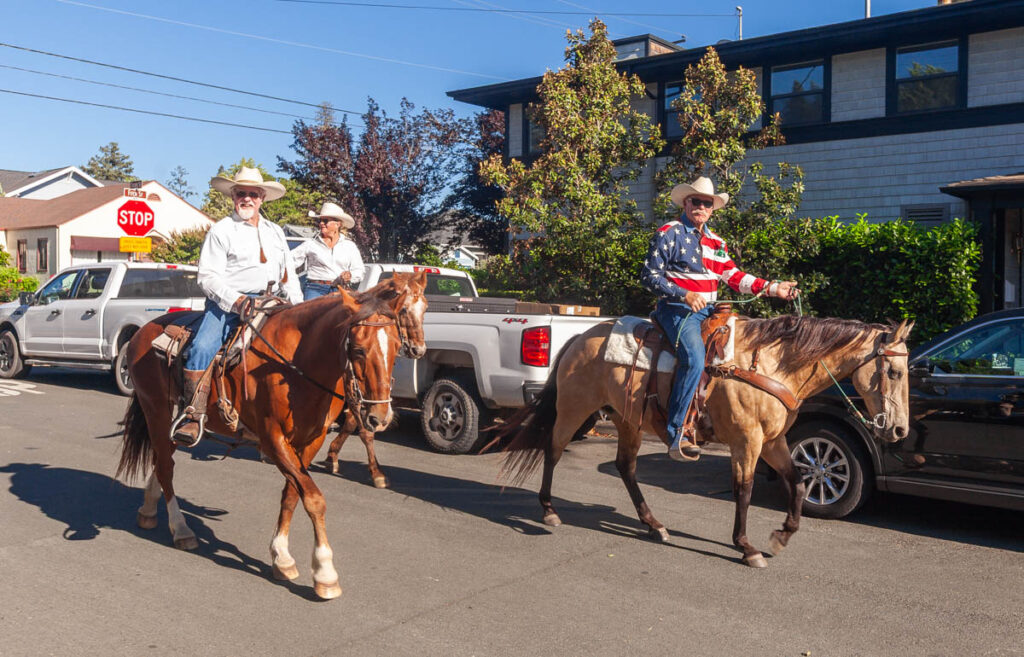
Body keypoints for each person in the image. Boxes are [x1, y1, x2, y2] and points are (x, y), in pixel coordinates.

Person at [640, 176, 799, 461]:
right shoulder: (669, 232)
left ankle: (716, 418)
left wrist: (774, 288)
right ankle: (678, 432)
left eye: (706, 203)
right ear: (685, 203)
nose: (701, 207)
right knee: (694, 359)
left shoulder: (717, 242)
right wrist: (684, 295)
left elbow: (734, 277)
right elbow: (649, 276)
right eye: (696, 201)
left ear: (713, 208)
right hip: (676, 310)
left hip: (710, 312)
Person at [172, 167, 302, 446]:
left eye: (253, 194)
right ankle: (193, 414)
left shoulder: (275, 232)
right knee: (203, 346)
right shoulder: (221, 230)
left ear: (262, 198)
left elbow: (288, 276)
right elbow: (208, 277)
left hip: (271, 302)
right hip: (227, 304)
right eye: (241, 193)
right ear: (232, 196)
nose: (247, 198)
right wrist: (237, 300)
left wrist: (299, 310)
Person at [291, 201, 365, 300]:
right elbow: (289, 262)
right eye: (320, 221)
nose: (321, 223)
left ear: (338, 224)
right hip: (315, 289)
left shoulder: (349, 246)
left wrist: (350, 275)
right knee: (312, 311)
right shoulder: (310, 244)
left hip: (340, 289)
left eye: (325, 221)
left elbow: (359, 270)